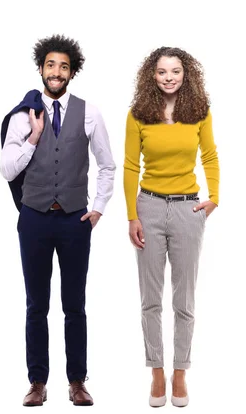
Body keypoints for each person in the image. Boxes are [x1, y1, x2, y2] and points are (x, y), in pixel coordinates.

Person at [0, 34, 115, 407]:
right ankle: (37, 382)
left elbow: (107, 165)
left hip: (73, 221)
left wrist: (96, 208)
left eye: (63, 66)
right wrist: (33, 138)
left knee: (74, 305)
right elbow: (6, 169)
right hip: (33, 218)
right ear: (40, 69)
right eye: (51, 65)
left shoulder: (90, 112)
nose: (56, 71)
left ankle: (77, 381)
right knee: (36, 304)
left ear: (72, 72)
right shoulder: (23, 115)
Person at [123, 46, 219, 408]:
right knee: (150, 300)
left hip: (187, 208)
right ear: (152, 75)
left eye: (175, 71)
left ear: (186, 74)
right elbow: (131, 166)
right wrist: (132, 216)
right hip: (147, 206)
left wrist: (215, 197)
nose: (168, 78)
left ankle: (180, 371)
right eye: (162, 72)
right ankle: (156, 370)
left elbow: (209, 155)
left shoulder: (199, 112)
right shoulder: (138, 115)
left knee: (184, 299)